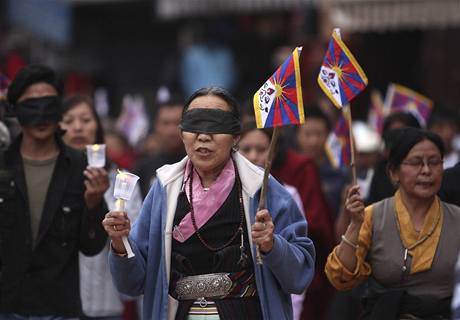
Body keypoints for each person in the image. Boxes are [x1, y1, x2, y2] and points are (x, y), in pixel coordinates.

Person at [104, 87, 315, 319]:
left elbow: (299, 276)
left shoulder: (263, 189)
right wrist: (119, 243)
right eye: (195, 125)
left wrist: (272, 245)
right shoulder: (165, 188)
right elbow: (132, 284)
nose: (203, 136)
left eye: (216, 125)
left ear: (236, 137)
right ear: (182, 133)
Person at [0, 64, 108, 318]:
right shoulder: (3, 165)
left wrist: (93, 204)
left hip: (59, 308)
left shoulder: (80, 167)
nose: (41, 115)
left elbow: (92, 246)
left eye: (48, 104)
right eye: (31, 105)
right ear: (15, 110)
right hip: (7, 305)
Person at [325, 127, 460, 319]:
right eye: (415, 163)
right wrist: (355, 225)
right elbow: (341, 277)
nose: (427, 171)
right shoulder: (372, 216)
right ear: (394, 172)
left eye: (434, 162)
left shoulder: (457, 219)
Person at [60, 95, 143, 320]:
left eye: (85, 120)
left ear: (97, 127)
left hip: (105, 302)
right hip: (56, 304)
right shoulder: (52, 178)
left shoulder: (121, 179)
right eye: (68, 121)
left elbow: (135, 237)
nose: (77, 127)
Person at [237, 121, 306, 320]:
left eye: (261, 149)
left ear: (273, 152)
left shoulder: (286, 196)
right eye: (246, 149)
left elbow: (298, 257)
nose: (253, 156)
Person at [296, 106, 348, 220]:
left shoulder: (339, 174)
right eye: (308, 134)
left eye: (319, 134)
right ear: (297, 135)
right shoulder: (291, 172)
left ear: (328, 135)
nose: (314, 141)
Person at [134, 97, 185, 198]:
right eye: (166, 123)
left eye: (177, 123)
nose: (171, 131)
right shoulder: (142, 169)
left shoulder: (200, 166)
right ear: (156, 126)